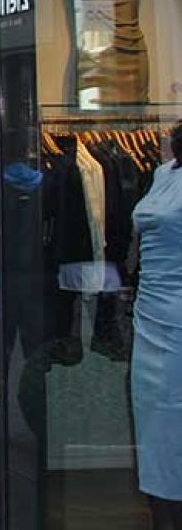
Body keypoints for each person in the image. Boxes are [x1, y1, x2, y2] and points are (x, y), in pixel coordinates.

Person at [131, 123, 182, 525]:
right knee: (153, 422)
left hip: (178, 318)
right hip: (149, 317)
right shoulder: (163, 173)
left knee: (174, 422)